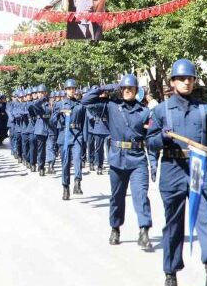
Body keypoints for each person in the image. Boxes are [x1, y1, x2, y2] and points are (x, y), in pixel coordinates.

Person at [146, 59, 207, 286]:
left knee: (205, 219)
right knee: (173, 226)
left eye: (190, 78)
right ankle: (171, 273)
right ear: (172, 82)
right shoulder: (161, 111)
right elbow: (149, 142)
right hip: (172, 168)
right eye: (182, 78)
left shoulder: (204, 110)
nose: (187, 82)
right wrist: (162, 138)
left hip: (199, 169)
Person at [82, 75, 153, 249]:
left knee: (141, 195)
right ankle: (115, 227)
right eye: (124, 88)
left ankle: (144, 230)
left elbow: (152, 138)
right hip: (117, 159)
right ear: (120, 90)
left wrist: (153, 162)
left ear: (137, 90)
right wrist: (106, 87)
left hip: (137, 158)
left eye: (131, 88)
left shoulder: (144, 111)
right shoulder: (111, 106)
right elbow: (86, 101)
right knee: (117, 197)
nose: (128, 90)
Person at [54, 79, 86, 200]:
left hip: (77, 135)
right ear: (65, 90)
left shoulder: (80, 105)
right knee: (65, 163)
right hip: (64, 136)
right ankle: (65, 187)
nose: (72, 91)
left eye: (73, 88)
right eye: (69, 89)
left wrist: (84, 138)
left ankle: (77, 182)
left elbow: (84, 123)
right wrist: (57, 113)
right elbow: (53, 122)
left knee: (77, 159)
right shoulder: (59, 104)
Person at [86, 85, 110, 175]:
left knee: (110, 148)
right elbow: (87, 105)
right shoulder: (94, 103)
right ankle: (99, 165)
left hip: (108, 127)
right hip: (98, 126)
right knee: (99, 149)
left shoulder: (108, 102)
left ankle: (111, 165)